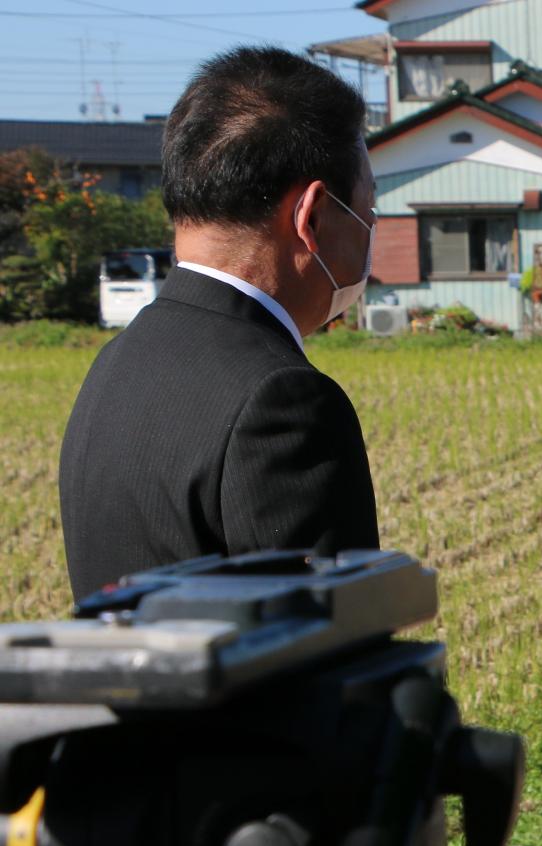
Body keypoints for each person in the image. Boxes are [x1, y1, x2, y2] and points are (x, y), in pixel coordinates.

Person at [59, 46, 380, 603]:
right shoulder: (282, 400)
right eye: (369, 211)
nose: (371, 229)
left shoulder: (117, 361)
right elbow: (333, 656)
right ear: (313, 216)